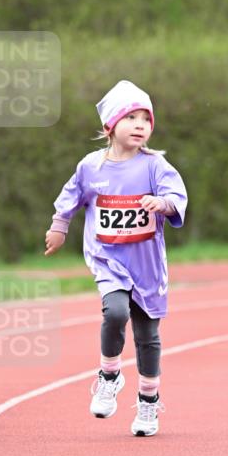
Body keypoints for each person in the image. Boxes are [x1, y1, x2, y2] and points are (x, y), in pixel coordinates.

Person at [44, 80, 188, 437]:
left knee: (147, 334)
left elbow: (176, 193)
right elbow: (71, 197)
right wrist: (59, 226)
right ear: (111, 126)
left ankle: (148, 402)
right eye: (131, 118)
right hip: (107, 257)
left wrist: (163, 203)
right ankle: (109, 374)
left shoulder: (155, 165)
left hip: (146, 263)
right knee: (116, 312)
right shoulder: (91, 167)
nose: (140, 125)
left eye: (146, 119)